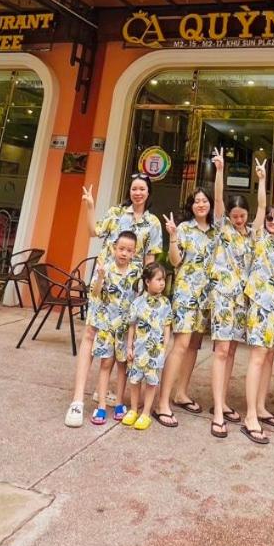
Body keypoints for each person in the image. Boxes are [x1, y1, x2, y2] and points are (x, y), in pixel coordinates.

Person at [64, 177, 161, 427]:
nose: (138, 192)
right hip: (104, 285)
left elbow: (150, 262)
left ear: (148, 192)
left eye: (142, 189)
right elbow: (93, 232)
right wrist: (89, 206)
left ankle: (108, 394)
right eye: (134, 188)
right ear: (129, 190)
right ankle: (77, 400)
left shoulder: (152, 223)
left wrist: (147, 295)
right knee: (90, 334)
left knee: (120, 347)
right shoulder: (116, 213)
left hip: (130, 292)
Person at [154, 186, 217, 426]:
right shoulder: (184, 229)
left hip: (205, 297)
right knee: (180, 345)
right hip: (185, 294)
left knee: (193, 346)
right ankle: (162, 402)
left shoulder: (215, 232)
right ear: (191, 206)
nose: (201, 204)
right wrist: (172, 236)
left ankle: (181, 393)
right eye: (196, 201)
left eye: (204, 200)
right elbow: (175, 261)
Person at [241, 158, 274, 446]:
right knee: (258, 357)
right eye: (270, 219)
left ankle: (260, 406)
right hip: (260, 307)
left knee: (269, 357)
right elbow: (260, 207)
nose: (272, 222)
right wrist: (261, 180)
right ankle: (250, 416)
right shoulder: (258, 238)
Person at [208, 148, 252, 437]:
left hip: (242, 300)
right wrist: (221, 170)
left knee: (232, 350)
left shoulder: (252, 235)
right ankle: (217, 411)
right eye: (234, 215)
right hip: (223, 297)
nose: (238, 219)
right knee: (222, 351)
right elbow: (218, 199)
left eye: (242, 215)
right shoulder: (222, 228)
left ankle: (222, 401)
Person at [84, 230, 141, 425]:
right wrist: (100, 277)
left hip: (125, 328)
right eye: (121, 249)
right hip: (107, 326)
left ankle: (118, 403)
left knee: (123, 365)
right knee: (106, 364)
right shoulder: (106, 268)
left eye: (129, 250)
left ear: (134, 252)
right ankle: (101, 405)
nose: (124, 253)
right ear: (114, 248)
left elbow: (140, 298)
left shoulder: (136, 271)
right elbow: (95, 293)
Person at [123, 262, 173, 430]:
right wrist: (129, 347)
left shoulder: (165, 303)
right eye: (158, 279)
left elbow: (167, 326)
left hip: (155, 352)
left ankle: (146, 412)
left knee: (151, 382)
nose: (162, 283)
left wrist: (164, 347)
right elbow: (132, 326)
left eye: (163, 280)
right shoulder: (138, 302)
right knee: (135, 380)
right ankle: (133, 409)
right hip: (138, 350)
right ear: (147, 281)